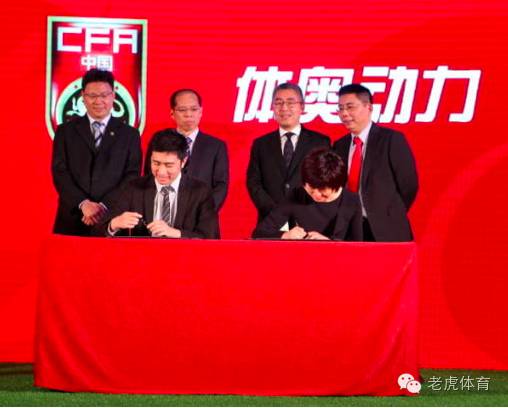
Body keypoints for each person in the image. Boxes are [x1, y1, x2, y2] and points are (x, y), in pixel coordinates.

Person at [51, 68, 142, 236]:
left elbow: (131, 176)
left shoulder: (130, 135)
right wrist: (83, 204)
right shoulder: (65, 131)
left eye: (104, 95)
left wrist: (103, 206)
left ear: (113, 96)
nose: (98, 101)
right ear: (83, 97)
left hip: (112, 218)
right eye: (92, 96)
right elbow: (60, 172)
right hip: (72, 217)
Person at [332, 84, 418, 242]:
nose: (344, 113)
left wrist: (390, 211)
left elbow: (409, 185)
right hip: (349, 230)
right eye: (340, 108)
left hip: (387, 228)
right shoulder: (339, 145)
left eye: (350, 107)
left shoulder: (391, 139)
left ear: (369, 107)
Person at [95, 129, 218, 239]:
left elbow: (210, 238)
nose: (161, 172)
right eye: (156, 163)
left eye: (169, 165)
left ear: (183, 162)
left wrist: (176, 233)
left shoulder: (200, 192)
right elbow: (98, 231)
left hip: (183, 256)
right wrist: (114, 224)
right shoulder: (133, 188)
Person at [247, 82, 330, 224]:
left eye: (291, 102)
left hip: (310, 221)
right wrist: (275, 213)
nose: (284, 108)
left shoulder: (320, 142)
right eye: (278, 103)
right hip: (270, 222)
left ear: (302, 107)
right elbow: (254, 183)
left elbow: (325, 181)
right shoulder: (261, 144)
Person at [144, 89, 229, 211]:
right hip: (163, 211)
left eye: (194, 109)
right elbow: (149, 175)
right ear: (172, 113)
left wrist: (204, 211)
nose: (188, 114)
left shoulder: (216, 146)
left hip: (201, 214)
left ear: (201, 112)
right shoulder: (160, 139)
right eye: (182, 110)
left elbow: (221, 185)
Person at [252, 148, 362, 241]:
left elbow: (358, 247)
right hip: (302, 257)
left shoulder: (351, 201)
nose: (316, 195)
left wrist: (328, 243)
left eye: (323, 192)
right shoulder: (296, 195)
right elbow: (259, 233)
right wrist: (285, 235)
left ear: (337, 186)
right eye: (311, 189)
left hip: (337, 258)